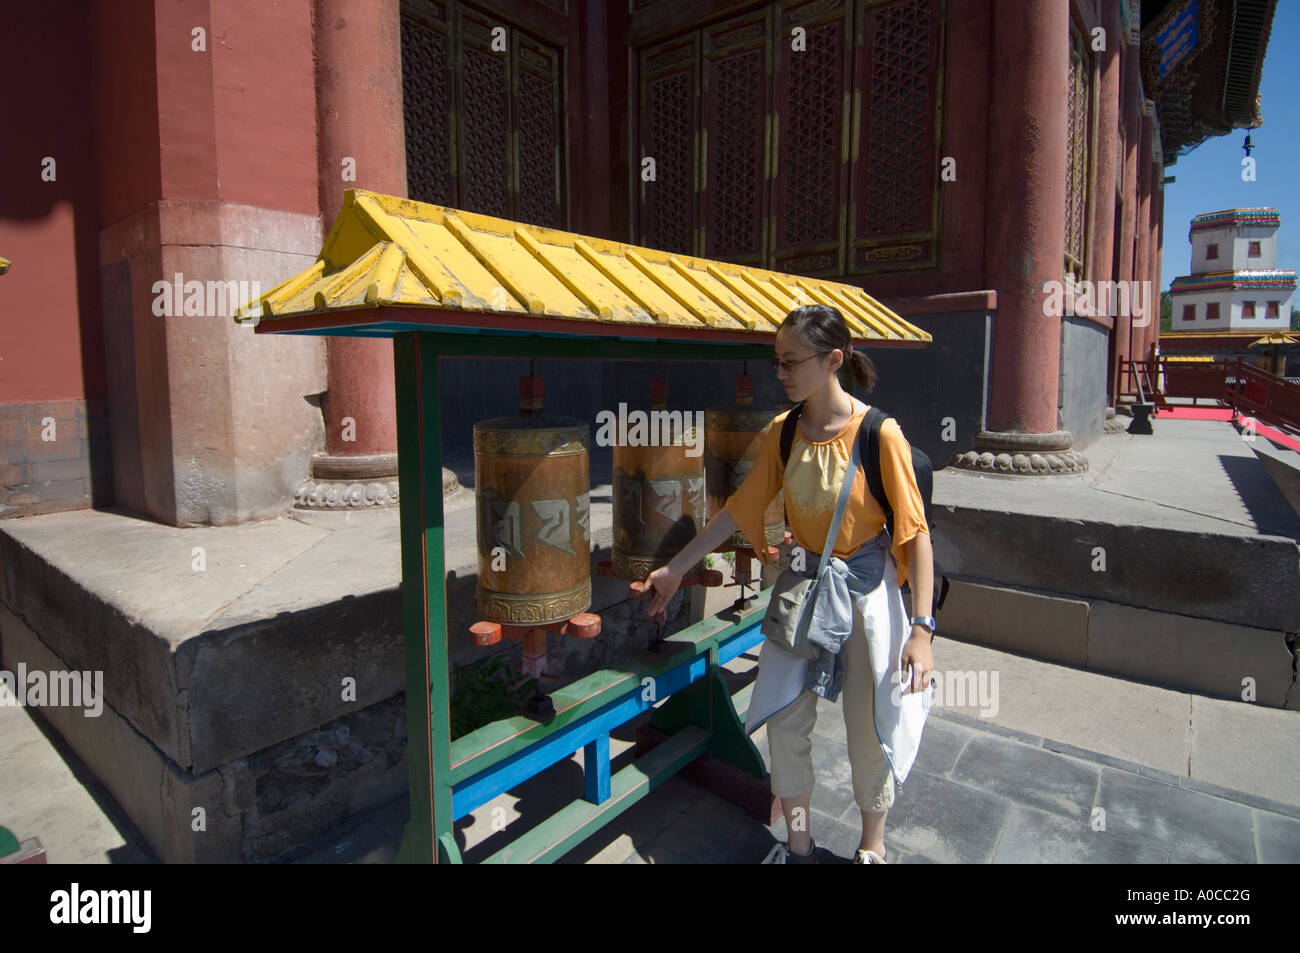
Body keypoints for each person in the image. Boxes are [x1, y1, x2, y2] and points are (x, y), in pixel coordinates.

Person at [644, 304, 936, 864]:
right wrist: (677, 567)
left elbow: (915, 535)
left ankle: (872, 846)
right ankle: (797, 845)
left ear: (833, 360)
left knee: (870, 729)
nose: (780, 374)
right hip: (801, 596)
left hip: (868, 602)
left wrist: (921, 630)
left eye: (790, 362)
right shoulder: (782, 434)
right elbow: (738, 510)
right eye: (777, 362)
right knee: (784, 724)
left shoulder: (880, 434)